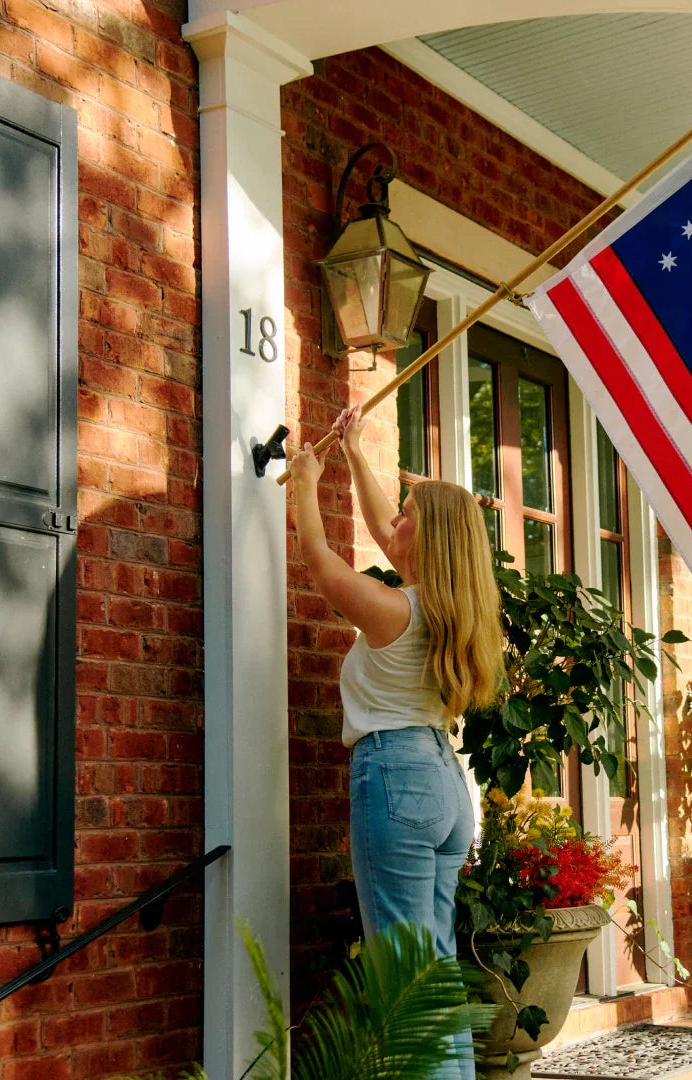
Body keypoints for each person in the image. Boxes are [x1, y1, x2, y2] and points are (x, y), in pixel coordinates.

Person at [287, 404, 504, 1080]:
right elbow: (386, 533)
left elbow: (322, 565)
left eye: (407, 515)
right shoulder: (452, 607)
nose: (394, 523)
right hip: (442, 783)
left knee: (404, 985)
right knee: (432, 974)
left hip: (396, 777)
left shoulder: (395, 612)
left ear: (427, 538)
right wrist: (353, 450)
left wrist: (304, 483)